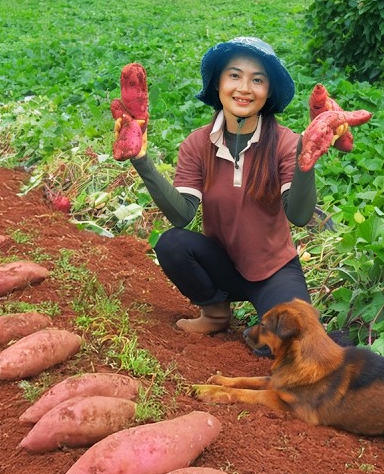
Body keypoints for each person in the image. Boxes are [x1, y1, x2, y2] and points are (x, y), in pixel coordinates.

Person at [122, 36, 344, 347]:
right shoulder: (197, 144)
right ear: (218, 84)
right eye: (234, 75)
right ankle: (215, 313)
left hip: (274, 270)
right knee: (172, 243)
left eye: (258, 80)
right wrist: (142, 159)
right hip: (221, 266)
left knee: (289, 347)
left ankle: (289, 330)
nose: (244, 88)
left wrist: (305, 162)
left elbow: (300, 214)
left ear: (268, 93)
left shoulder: (284, 142)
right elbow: (182, 215)